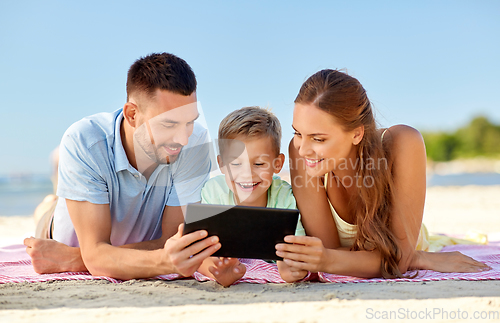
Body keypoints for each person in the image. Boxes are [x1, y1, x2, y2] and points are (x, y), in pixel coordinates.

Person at [275, 69, 491, 279]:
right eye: (297, 133)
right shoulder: (301, 154)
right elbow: (329, 250)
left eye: (318, 139)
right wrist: (413, 259)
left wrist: (329, 259)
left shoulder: (402, 143)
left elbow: (392, 258)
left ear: (356, 133)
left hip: (413, 240)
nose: (303, 148)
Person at [23, 53, 221, 280]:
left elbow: (171, 240)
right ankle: (49, 203)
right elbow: (97, 258)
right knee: (47, 212)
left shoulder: (195, 143)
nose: (183, 139)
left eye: (190, 122)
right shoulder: (85, 141)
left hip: (101, 242)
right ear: (132, 114)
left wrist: (78, 258)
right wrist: (163, 261)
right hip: (56, 230)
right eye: (169, 124)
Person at [196, 106, 307, 286]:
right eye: (236, 163)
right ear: (222, 164)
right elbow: (199, 253)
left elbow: (298, 249)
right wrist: (217, 272)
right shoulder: (213, 192)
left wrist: (290, 267)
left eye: (259, 163)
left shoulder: (284, 196)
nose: (247, 174)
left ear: (277, 164)